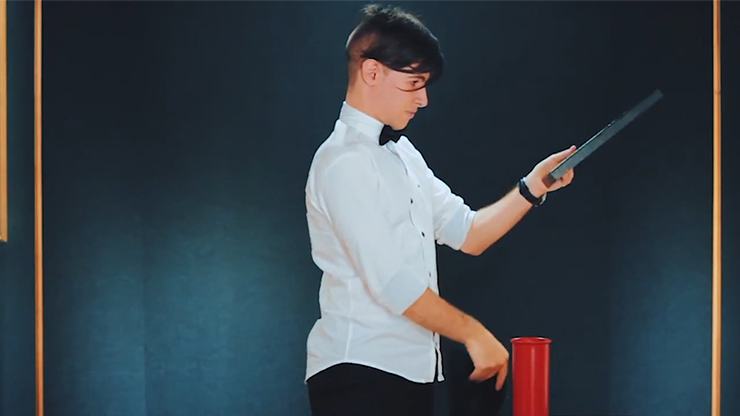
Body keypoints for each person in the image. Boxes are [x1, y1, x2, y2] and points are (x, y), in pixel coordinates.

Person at [303, 4, 575, 416]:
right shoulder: (342, 162)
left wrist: (534, 186)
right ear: (372, 72)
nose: (424, 99)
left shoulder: (405, 155)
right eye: (414, 83)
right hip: (358, 370)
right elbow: (391, 284)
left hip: (414, 375)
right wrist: (473, 333)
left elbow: (468, 232)